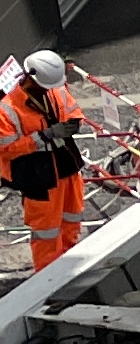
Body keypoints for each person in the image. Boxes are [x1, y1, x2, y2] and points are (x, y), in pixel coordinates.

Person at [0, 55, 83, 271]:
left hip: (66, 165)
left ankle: (70, 270)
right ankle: (48, 279)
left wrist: (75, 123)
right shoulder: (6, 109)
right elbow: (7, 150)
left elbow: (72, 109)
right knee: (46, 233)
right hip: (38, 177)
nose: (49, 90)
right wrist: (43, 136)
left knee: (72, 221)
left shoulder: (55, 88)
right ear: (30, 79)